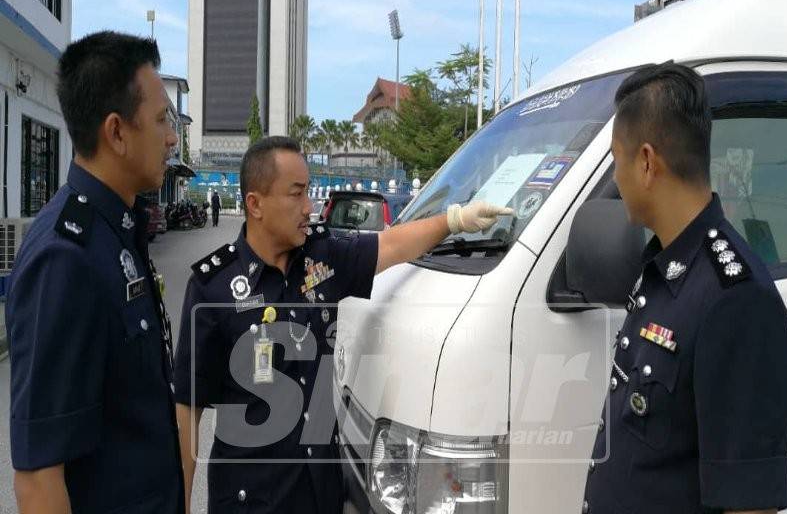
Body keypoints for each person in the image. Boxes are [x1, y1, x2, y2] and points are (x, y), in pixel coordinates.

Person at [174, 136, 513, 514]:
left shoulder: (322, 257)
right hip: (250, 500)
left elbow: (391, 245)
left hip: (320, 494)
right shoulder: (213, 287)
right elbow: (188, 408)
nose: (309, 207)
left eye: (308, 192)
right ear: (255, 204)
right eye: (297, 194)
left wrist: (454, 220)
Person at [582, 62, 787, 514]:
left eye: (617, 160)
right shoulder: (664, 270)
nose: (616, 178)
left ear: (646, 162)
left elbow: (749, 505)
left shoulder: (736, 299)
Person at [5, 31, 184, 514]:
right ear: (117, 132)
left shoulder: (116, 230)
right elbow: (39, 478)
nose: (171, 138)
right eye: (162, 120)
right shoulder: (66, 258)